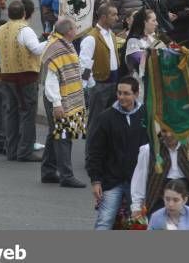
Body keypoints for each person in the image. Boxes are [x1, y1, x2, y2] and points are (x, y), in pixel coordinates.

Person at [86, 75, 147, 229]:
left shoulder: (146, 116)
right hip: (112, 181)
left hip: (137, 183)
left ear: (136, 94)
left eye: (126, 93)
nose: (121, 97)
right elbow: (95, 152)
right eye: (119, 93)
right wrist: (96, 181)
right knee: (104, 222)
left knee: (138, 225)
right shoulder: (105, 118)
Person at [0, 0, 46, 162]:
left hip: (7, 76)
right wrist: (50, 41)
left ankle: (12, 150)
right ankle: (24, 151)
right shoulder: (25, 29)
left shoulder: (1, 30)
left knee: (11, 113)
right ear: (24, 14)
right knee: (27, 113)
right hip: (25, 77)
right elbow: (36, 49)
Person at [39, 18, 87, 188]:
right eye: (75, 27)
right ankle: (66, 175)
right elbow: (51, 79)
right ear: (69, 32)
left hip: (63, 95)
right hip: (59, 97)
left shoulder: (62, 43)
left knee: (55, 133)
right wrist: (57, 103)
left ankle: (48, 171)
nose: (77, 30)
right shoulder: (58, 48)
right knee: (64, 135)